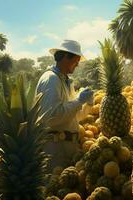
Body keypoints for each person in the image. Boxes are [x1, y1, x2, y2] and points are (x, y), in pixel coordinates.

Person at [35, 39, 94, 171]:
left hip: (66, 148)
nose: (78, 64)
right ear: (66, 57)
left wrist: (88, 104)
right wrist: (78, 100)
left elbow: (74, 117)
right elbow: (52, 117)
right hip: (55, 150)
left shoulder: (65, 81)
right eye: (76, 60)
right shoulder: (51, 79)